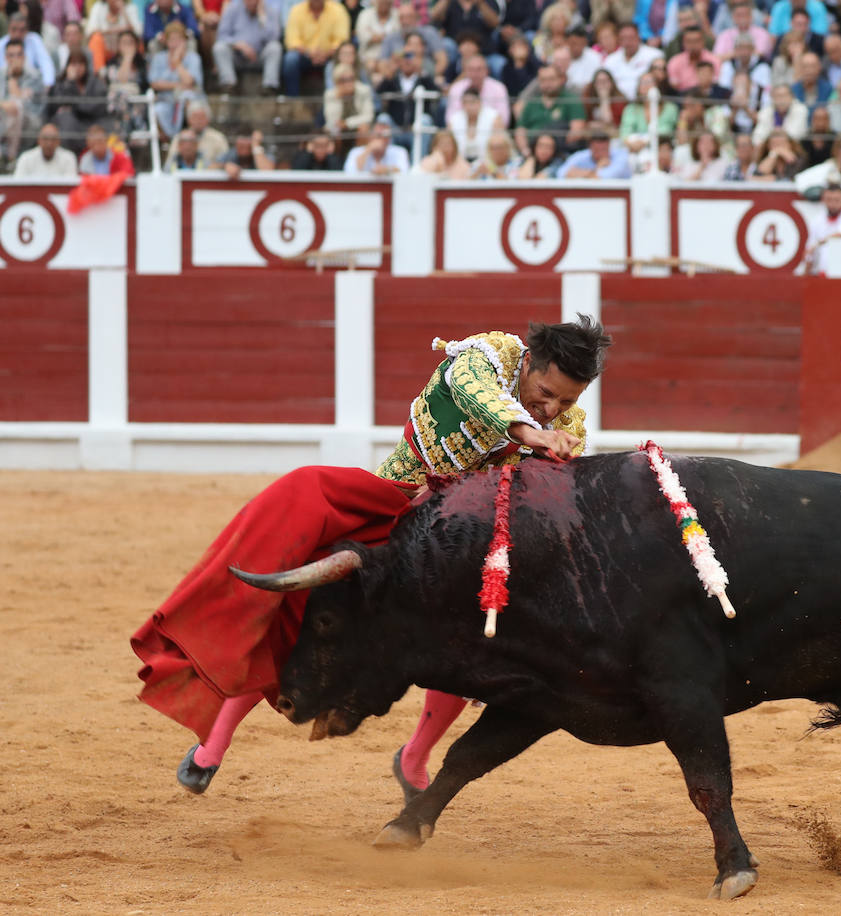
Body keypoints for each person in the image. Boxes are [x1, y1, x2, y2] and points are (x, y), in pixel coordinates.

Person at [138, 317, 613, 797]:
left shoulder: (568, 428)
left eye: (566, 401)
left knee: (469, 639)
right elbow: (476, 396)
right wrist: (530, 434)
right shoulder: (487, 356)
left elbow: (536, 506)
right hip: (391, 507)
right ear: (528, 362)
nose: (551, 409)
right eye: (546, 391)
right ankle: (213, 745)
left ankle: (414, 758)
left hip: (456, 543)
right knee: (301, 609)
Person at [213, 0, 283, 93]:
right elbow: (221, 35)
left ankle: (269, 87)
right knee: (219, 47)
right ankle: (228, 84)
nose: (252, 2)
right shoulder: (232, 9)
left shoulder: (270, 11)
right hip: (237, 57)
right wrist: (238, 44)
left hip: (259, 57)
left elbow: (274, 38)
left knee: (275, 47)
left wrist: (262, 17)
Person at [282, 0, 349, 96]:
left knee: (339, 60)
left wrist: (326, 54)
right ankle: (292, 100)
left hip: (330, 56)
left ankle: (333, 102)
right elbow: (292, 41)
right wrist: (309, 53)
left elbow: (342, 40)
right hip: (304, 55)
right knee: (290, 59)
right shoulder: (296, 10)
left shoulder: (337, 10)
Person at [804, 181, 841, 273]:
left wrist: (822, 241)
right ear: (823, 199)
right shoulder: (817, 221)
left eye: (836, 200)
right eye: (829, 200)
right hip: (822, 274)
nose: (832, 204)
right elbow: (810, 253)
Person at [343, 118, 410, 174]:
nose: (382, 140)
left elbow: (405, 172)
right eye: (378, 136)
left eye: (385, 136)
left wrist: (386, 170)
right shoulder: (355, 152)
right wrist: (368, 150)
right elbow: (350, 172)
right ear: (370, 136)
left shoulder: (400, 152)